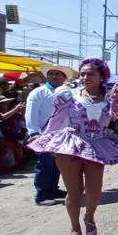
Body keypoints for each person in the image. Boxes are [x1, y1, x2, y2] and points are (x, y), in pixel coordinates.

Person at [28, 58, 118, 235]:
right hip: (71, 146)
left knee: (94, 193)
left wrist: (116, 99)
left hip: (97, 146)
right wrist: (43, 137)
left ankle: (89, 218)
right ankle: (75, 228)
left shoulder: (110, 97)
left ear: (102, 77)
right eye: (82, 74)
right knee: (74, 192)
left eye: (90, 73)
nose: (85, 77)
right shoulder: (68, 95)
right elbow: (56, 119)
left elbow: (117, 117)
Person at [25, 64, 74, 206]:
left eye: (58, 74)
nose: (54, 76)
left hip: (62, 135)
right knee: (44, 164)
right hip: (43, 134)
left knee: (58, 164)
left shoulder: (67, 92)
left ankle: (53, 189)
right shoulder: (38, 92)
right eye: (51, 74)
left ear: (64, 78)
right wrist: (34, 132)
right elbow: (31, 113)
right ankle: (41, 195)